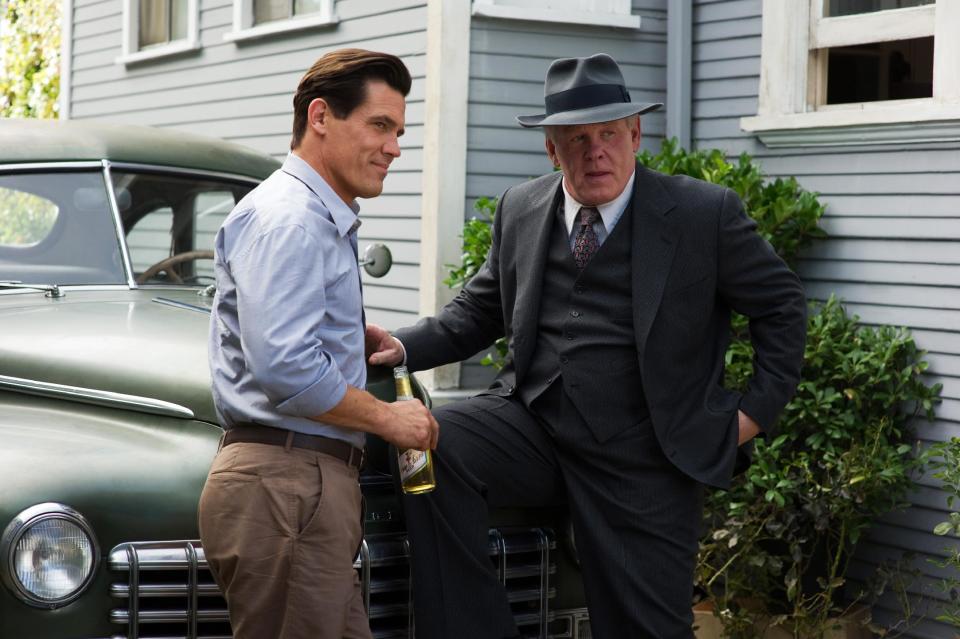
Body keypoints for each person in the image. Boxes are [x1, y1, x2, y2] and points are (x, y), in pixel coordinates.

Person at [366, 53, 807, 639]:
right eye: (576, 139)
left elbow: (782, 308)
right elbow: (480, 311)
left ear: (635, 135)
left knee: (647, 629)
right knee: (426, 441)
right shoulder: (520, 206)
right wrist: (398, 345)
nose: (595, 151)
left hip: (643, 453)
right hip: (533, 423)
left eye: (608, 134)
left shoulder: (705, 214)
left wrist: (746, 418)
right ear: (552, 149)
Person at [198, 48, 439, 639]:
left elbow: (287, 348)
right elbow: (287, 370)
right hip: (288, 487)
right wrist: (390, 419)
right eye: (380, 125)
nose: (394, 147)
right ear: (322, 117)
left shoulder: (309, 217)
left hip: (298, 490)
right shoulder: (293, 220)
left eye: (399, 131)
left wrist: (347, 343)